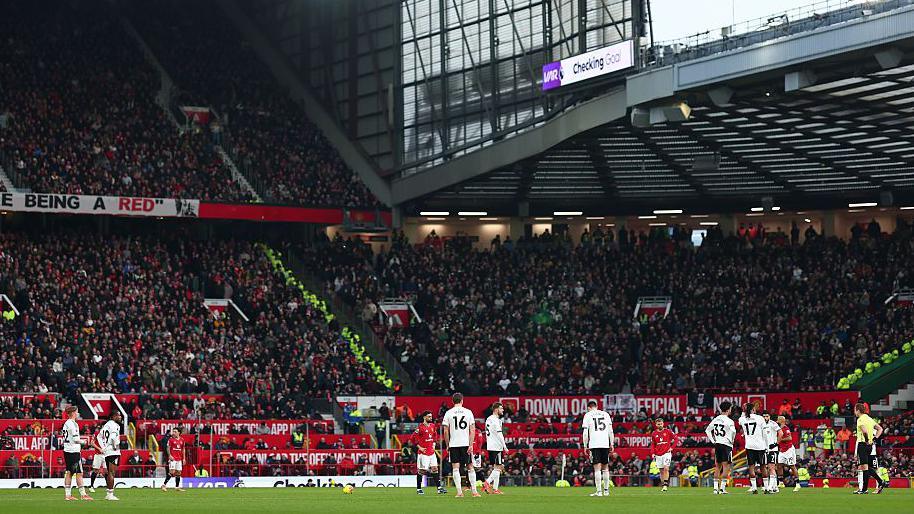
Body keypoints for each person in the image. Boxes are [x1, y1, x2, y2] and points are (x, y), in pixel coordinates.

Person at [442, 393, 479, 498]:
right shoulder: (468, 412)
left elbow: (445, 431)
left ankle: (459, 492)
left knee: (455, 468)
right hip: (465, 443)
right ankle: (474, 492)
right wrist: (471, 444)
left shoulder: (448, 413)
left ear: (452, 401)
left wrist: (448, 444)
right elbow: (472, 430)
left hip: (454, 444)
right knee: (470, 467)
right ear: (462, 400)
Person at [582, 400, 614, 497]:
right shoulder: (606, 414)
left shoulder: (588, 415)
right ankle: (606, 491)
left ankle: (599, 492)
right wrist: (611, 443)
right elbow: (610, 431)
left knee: (597, 468)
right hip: (605, 443)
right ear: (596, 406)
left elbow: (585, 433)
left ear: (589, 407)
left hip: (594, 444)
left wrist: (585, 445)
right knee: (605, 468)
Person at [409, 411, 446, 495]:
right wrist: (420, 447)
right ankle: (419, 489)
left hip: (431, 453)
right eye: (429, 416)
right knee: (422, 471)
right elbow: (412, 439)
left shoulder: (433, 426)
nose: (431, 418)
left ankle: (439, 488)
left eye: (431, 416)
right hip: (423, 454)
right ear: (424, 417)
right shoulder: (420, 428)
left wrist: (433, 444)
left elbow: (434, 435)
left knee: (435, 469)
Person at [854, 403, 886, 494]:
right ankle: (867, 487)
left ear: (858, 410)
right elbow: (880, 429)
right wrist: (874, 438)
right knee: (865, 467)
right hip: (870, 445)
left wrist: (867, 439)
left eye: (855, 410)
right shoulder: (869, 419)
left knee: (864, 467)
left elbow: (864, 431)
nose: (854, 412)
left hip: (863, 444)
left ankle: (867, 488)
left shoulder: (860, 419)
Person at [61, 406, 92, 501]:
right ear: (73, 413)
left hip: (67, 450)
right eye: (77, 412)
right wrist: (85, 442)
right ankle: (83, 494)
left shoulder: (66, 423)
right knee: (79, 473)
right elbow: (75, 439)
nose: (78, 414)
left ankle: (68, 495)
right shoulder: (73, 424)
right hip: (73, 451)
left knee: (69, 472)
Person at [705, 401, 736, 495]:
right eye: (730, 408)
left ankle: (715, 489)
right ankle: (722, 489)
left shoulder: (716, 419)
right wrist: (732, 440)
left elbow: (707, 430)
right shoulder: (729, 421)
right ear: (728, 409)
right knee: (726, 467)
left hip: (717, 444)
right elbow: (733, 432)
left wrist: (713, 441)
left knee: (717, 467)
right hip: (726, 445)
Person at [738, 402, 767, 494]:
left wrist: (744, 410)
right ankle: (766, 487)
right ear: (753, 409)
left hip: (749, 445)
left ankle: (754, 488)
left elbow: (740, 420)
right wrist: (766, 445)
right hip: (760, 445)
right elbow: (765, 433)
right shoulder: (760, 418)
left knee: (751, 466)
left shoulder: (743, 419)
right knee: (763, 466)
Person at [94, 411, 123, 501]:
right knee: (111, 473)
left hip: (107, 452)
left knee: (109, 472)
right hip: (113, 452)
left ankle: (108, 493)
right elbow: (113, 438)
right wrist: (114, 446)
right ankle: (110, 494)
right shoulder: (115, 425)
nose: (120, 417)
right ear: (113, 416)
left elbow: (99, 436)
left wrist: (103, 448)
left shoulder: (106, 425)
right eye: (118, 415)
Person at [483, 402, 507, 495]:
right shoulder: (496, 420)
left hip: (490, 445)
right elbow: (499, 434)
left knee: (496, 467)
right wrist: (504, 446)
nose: (503, 410)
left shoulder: (489, 419)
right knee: (499, 467)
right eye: (501, 408)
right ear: (496, 409)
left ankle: (495, 489)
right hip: (497, 446)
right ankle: (487, 482)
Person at [650, 417, 677, 492]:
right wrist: (652, 453)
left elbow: (676, 439)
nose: (660, 425)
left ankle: (665, 485)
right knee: (661, 471)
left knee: (666, 468)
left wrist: (672, 448)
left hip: (666, 453)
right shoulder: (654, 433)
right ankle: (663, 485)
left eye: (661, 424)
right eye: (658, 424)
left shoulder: (668, 431)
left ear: (663, 423)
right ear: (656, 425)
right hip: (658, 454)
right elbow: (653, 444)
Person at [776, 416, 801, 492]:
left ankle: (797, 484)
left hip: (789, 450)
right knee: (779, 465)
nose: (777, 421)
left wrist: (780, 440)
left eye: (778, 420)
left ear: (782, 421)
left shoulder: (786, 428)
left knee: (792, 466)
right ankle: (781, 482)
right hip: (782, 450)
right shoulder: (778, 428)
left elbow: (790, 438)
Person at [761, 412, 780, 493]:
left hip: (773, 449)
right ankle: (775, 487)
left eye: (767, 416)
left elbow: (781, 433)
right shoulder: (761, 425)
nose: (765, 417)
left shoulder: (773, 424)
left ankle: (769, 487)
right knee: (769, 468)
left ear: (769, 417)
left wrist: (776, 444)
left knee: (771, 467)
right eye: (764, 416)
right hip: (765, 449)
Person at [161, 428, 185, 492]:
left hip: (179, 459)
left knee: (179, 473)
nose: (173, 433)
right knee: (172, 472)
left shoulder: (182, 440)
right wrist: (169, 455)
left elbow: (183, 449)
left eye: (175, 431)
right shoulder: (171, 440)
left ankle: (177, 487)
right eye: (173, 431)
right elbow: (168, 448)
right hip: (173, 458)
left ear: (179, 433)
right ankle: (164, 485)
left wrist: (184, 458)